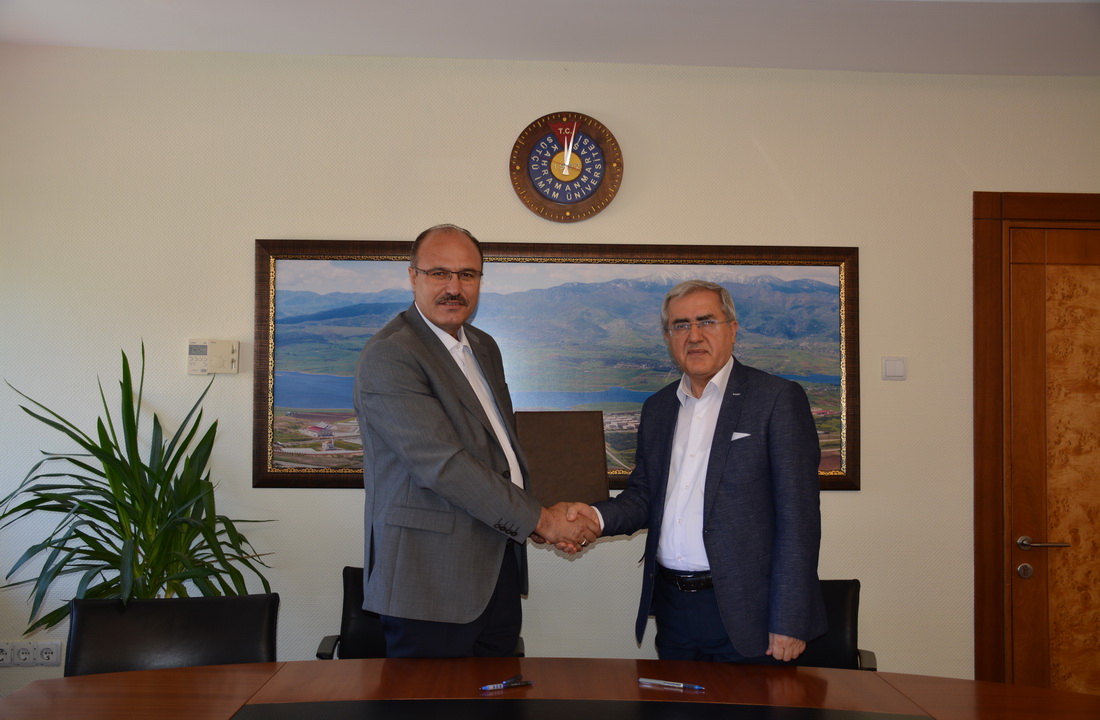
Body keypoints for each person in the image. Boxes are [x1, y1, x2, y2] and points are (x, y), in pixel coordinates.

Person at [353, 223, 598, 658]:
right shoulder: (392, 354)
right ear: (413, 277)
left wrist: (534, 516)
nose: (454, 287)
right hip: (429, 581)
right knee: (432, 698)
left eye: (467, 274)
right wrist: (541, 520)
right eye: (439, 273)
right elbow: (444, 466)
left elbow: (497, 453)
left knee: (497, 692)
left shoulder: (483, 346)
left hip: (496, 568)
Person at [567, 279, 826, 663]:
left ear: (732, 330)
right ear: (668, 337)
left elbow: (799, 520)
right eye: (681, 325)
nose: (694, 335)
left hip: (749, 613)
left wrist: (789, 620)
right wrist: (593, 517)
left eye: (706, 321)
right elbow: (644, 496)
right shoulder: (658, 408)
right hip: (674, 610)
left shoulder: (776, 399)